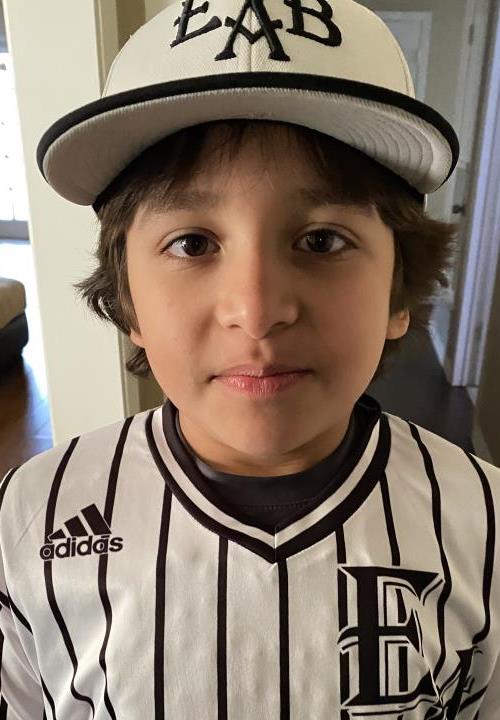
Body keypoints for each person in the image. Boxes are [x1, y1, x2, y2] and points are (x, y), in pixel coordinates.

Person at [1, 0, 499, 717]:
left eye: (322, 240)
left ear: (399, 292)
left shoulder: (485, 527)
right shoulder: (30, 521)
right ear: (130, 299)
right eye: (193, 244)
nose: (258, 309)